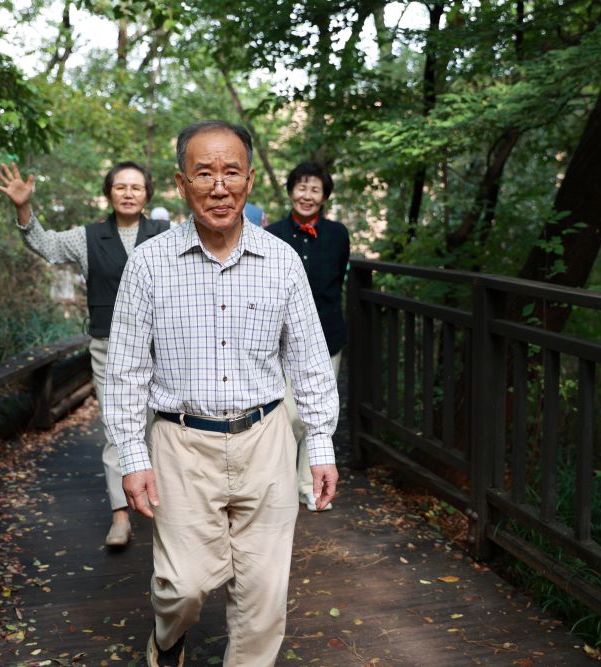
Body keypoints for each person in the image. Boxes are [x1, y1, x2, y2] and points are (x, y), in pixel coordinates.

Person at [105, 121, 339, 667]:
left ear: (249, 181)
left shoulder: (282, 261)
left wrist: (321, 443)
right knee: (182, 586)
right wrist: (133, 457)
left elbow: (309, 359)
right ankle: (168, 638)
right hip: (181, 442)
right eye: (204, 174)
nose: (219, 187)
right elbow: (126, 371)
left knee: (263, 597)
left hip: (266, 439)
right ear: (181, 183)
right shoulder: (149, 263)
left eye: (231, 173)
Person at [0, 160, 170, 548]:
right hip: (110, 347)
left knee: (161, 428)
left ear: (147, 195)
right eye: (120, 186)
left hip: (163, 349)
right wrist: (23, 207)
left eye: (136, 187)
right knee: (117, 428)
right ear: (108, 193)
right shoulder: (87, 236)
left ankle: (165, 507)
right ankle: (120, 515)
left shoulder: (166, 235)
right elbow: (46, 245)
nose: (128, 193)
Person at [266, 162, 350, 512]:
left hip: (327, 334)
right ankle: (280, 484)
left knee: (319, 413)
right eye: (301, 187)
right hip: (280, 338)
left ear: (324, 196)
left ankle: (309, 486)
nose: (307, 195)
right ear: (290, 191)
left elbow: (338, 278)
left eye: (315, 189)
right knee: (287, 415)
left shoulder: (338, 234)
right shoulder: (272, 233)